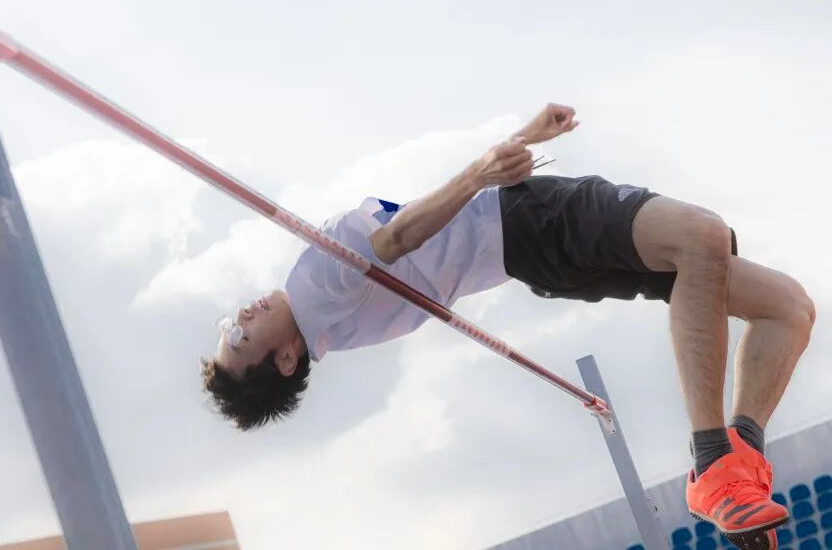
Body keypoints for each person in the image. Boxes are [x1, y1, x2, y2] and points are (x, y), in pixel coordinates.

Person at [200, 103, 815, 547]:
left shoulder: (335, 324)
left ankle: (738, 463)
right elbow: (399, 237)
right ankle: (713, 461)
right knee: (702, 235)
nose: (240, 318)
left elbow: (428, 235)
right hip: (532, 223)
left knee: (787, 307)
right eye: (239, 339)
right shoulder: (313, 289)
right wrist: (481, 172)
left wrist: (521, 140)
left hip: (535, 251)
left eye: (228, 326)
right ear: (285, 360)